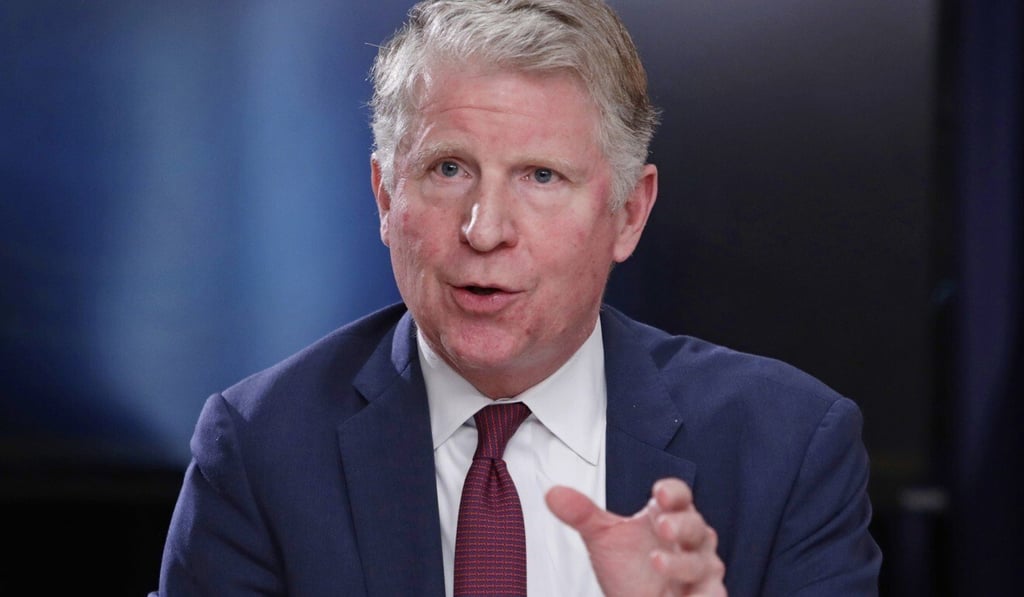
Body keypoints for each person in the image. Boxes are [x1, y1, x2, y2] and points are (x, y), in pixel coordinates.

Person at [150, 1, 882, 595]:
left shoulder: (787, 446)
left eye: (541, 176)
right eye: (448, 168)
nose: (485, 229)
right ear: (385, 196)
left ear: (629, 213)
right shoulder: (260, 446)